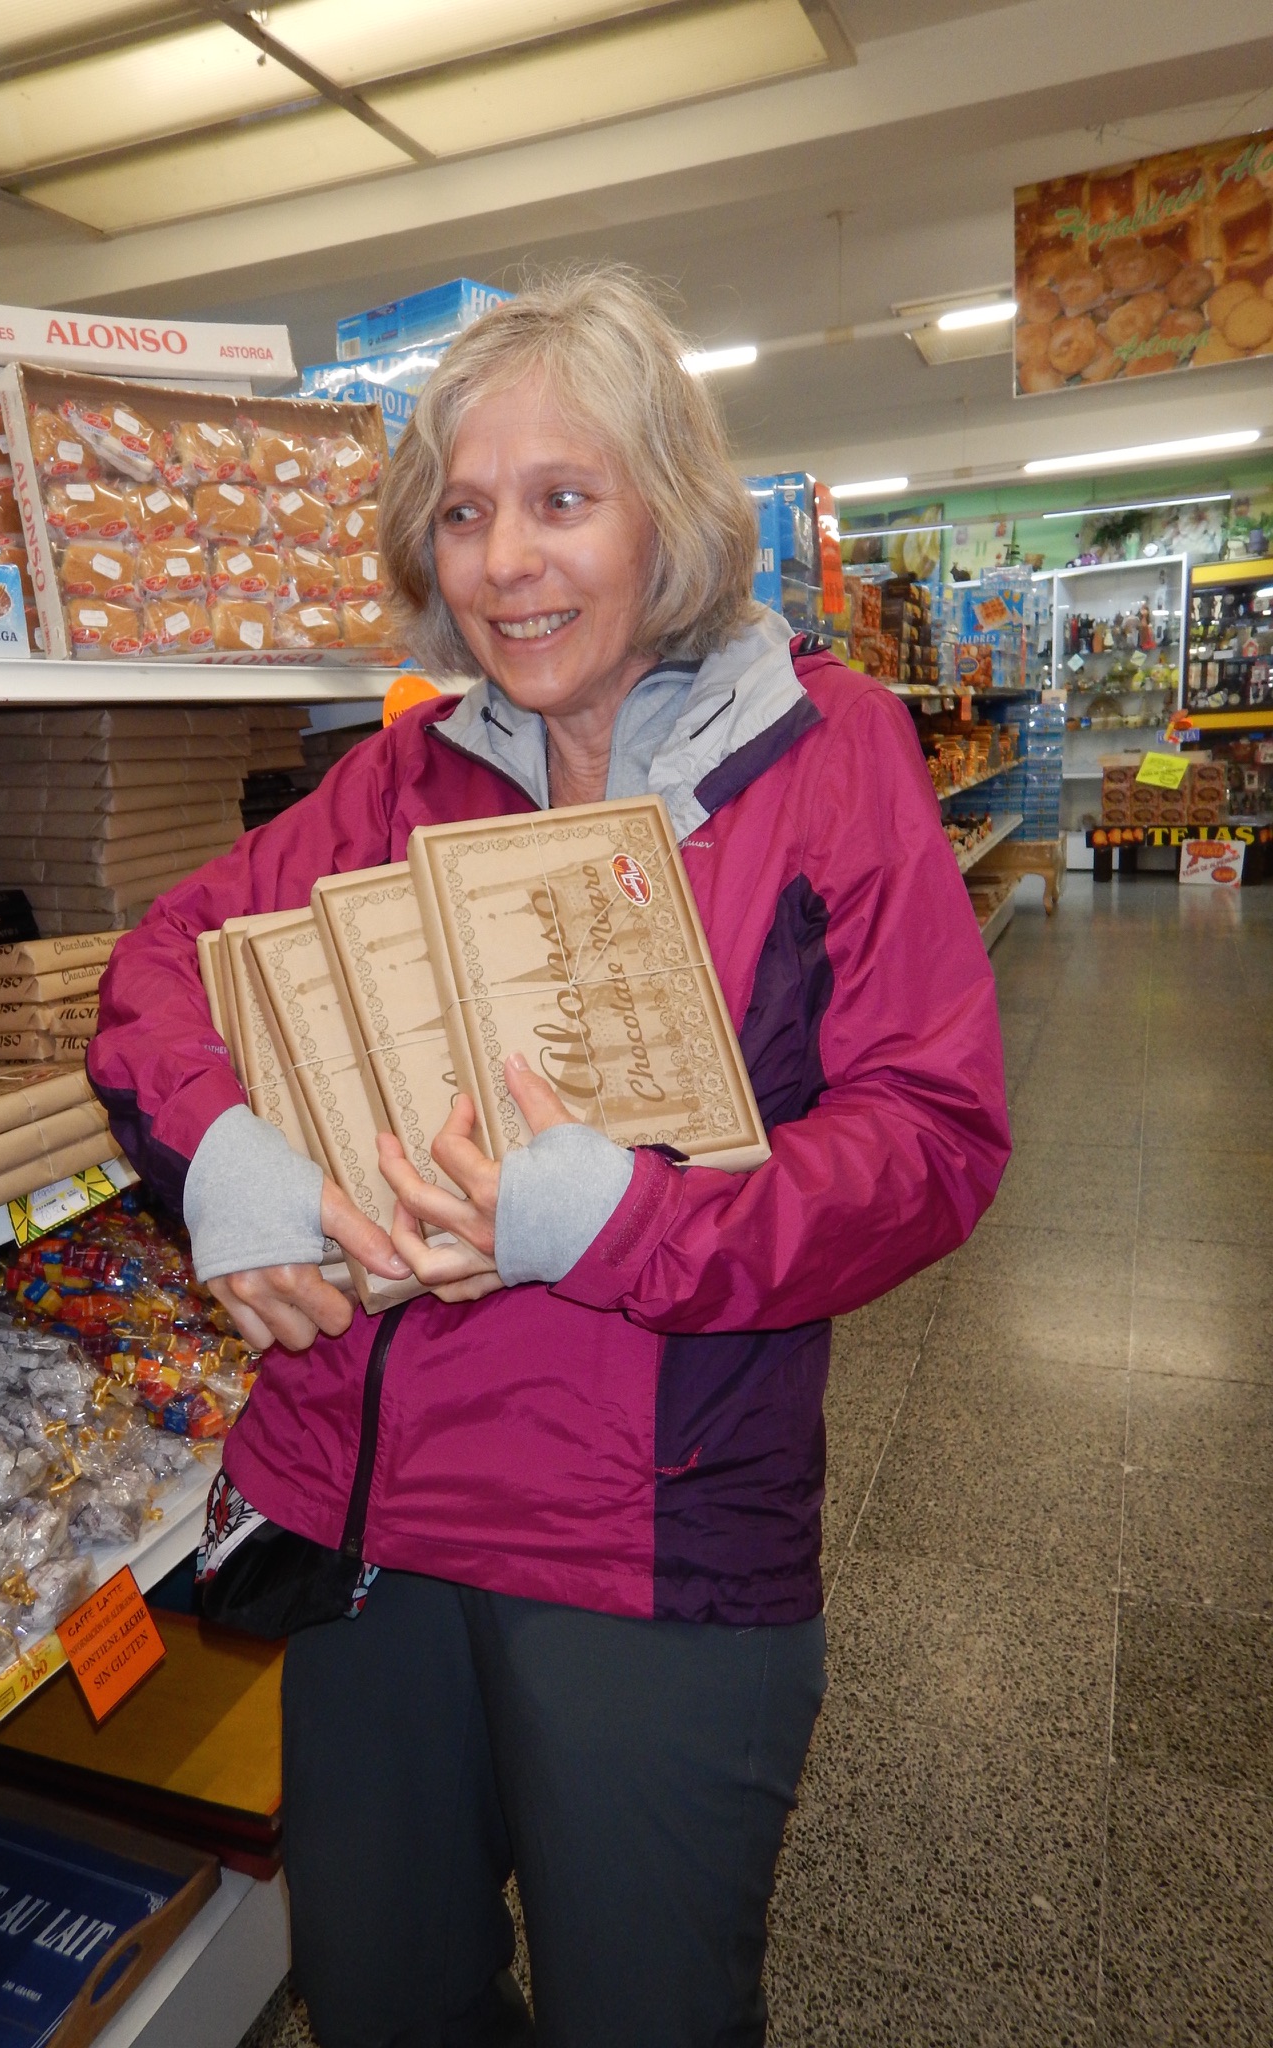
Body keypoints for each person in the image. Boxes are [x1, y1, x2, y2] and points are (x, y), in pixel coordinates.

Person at [88, 268, 1010, 2048]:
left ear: (666, 509)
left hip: (648, 1534)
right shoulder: (400, 780)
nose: (505, 561)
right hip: (374, 1520)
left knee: (643, 2009)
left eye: (561, 499)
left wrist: (621, 1221)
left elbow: (931, 1136)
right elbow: (159, 968)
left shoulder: (830, 759)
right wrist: (228, 1162)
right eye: (463, 512)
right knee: (385, 1999)